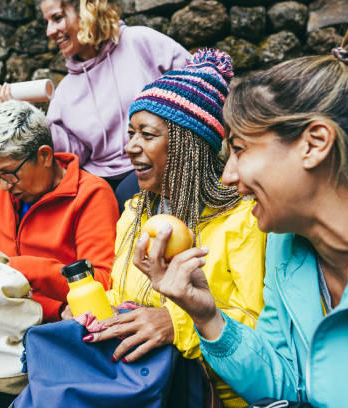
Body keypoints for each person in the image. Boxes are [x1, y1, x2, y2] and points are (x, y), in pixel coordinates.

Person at [137, 17, 348, 407]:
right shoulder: (286, 250)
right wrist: (207, 316)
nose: (228, 175)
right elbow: (287, 382)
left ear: (314, 144)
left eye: (239, 149)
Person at [79, 50, 267, 407]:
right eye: (131, 133)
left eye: (146, 135)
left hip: (216, 395)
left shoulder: (242, 221)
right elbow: (122, 296)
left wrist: (175, 324)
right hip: (139, 384)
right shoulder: (135, 213)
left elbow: (256, 325)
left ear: (187, 146)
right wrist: (98, 314)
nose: (130, 147)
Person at [0, 100, 118, 408]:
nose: (1, 185)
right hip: (1, 317)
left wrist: (21, 271)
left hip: (50, 330)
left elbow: (103, 283)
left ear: (43, 155)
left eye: (7, 173)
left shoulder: (91, 195)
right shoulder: (8, 192)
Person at [0, 0, 190, 212]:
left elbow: (197, 83)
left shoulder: (139, 41)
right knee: (76, 201)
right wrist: (27, 116)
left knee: (125, 195)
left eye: (57, 18)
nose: (50, 31)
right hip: (102, 177)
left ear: (87, 10)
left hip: (158, 161)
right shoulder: (66, 90)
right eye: (47, 22)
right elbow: (75, 153)